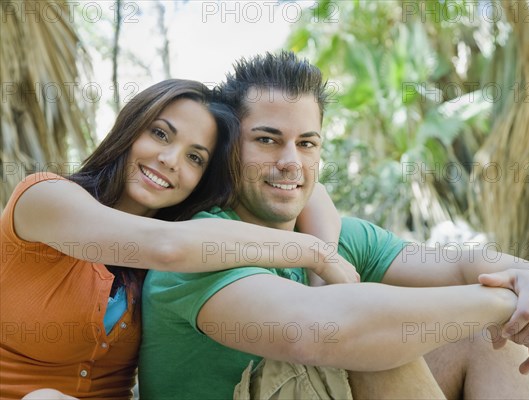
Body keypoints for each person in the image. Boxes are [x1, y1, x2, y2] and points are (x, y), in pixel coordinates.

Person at [138, 52, 529, 399]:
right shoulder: (198, 248)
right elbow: (319, 331)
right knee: (376, 340)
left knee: (484, 341)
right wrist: (501, 305)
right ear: (229, 149)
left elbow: (462, 264)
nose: (291, 162)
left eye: (306, 143)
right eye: (267, 140)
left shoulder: (341, 236)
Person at [0, 79, 359, 400]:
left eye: (195, 157)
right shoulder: (43, 197)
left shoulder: (190, 244)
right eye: (159, 134)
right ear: (129, 128)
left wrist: (320, 280)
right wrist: (312, 253)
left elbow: (315, 193)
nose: (170, 160)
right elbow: (164, 246)